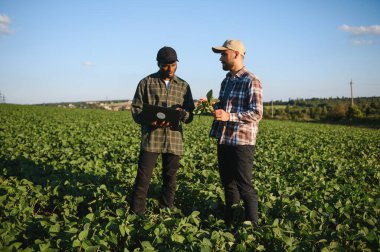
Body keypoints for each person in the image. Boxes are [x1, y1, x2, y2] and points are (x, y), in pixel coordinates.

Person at [130, 46, 195, 215]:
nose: (170, 69)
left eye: (173, 65)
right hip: (151, 138)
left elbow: (191, 115)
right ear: (159, 64)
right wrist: (148, 119)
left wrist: (183, 114)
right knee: (143, 179)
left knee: (170, 179)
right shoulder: (146, 83)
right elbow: (136, 109)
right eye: (166, 65)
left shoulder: (183, 86)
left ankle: (165, 213)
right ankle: (137, 214)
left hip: (173, 140)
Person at [210, 39, 263, 225]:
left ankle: (253, 226)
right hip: (224, 139)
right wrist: (210, 106)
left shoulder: (251, 80)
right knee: (228, 185)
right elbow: (224, 108)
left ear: (236, 54)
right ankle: (231, 222)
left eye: (224, 54)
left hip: (242, 142)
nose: (221, 59)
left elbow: (257, 113)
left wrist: (228, 116)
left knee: (244, 186)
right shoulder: (226, 81)